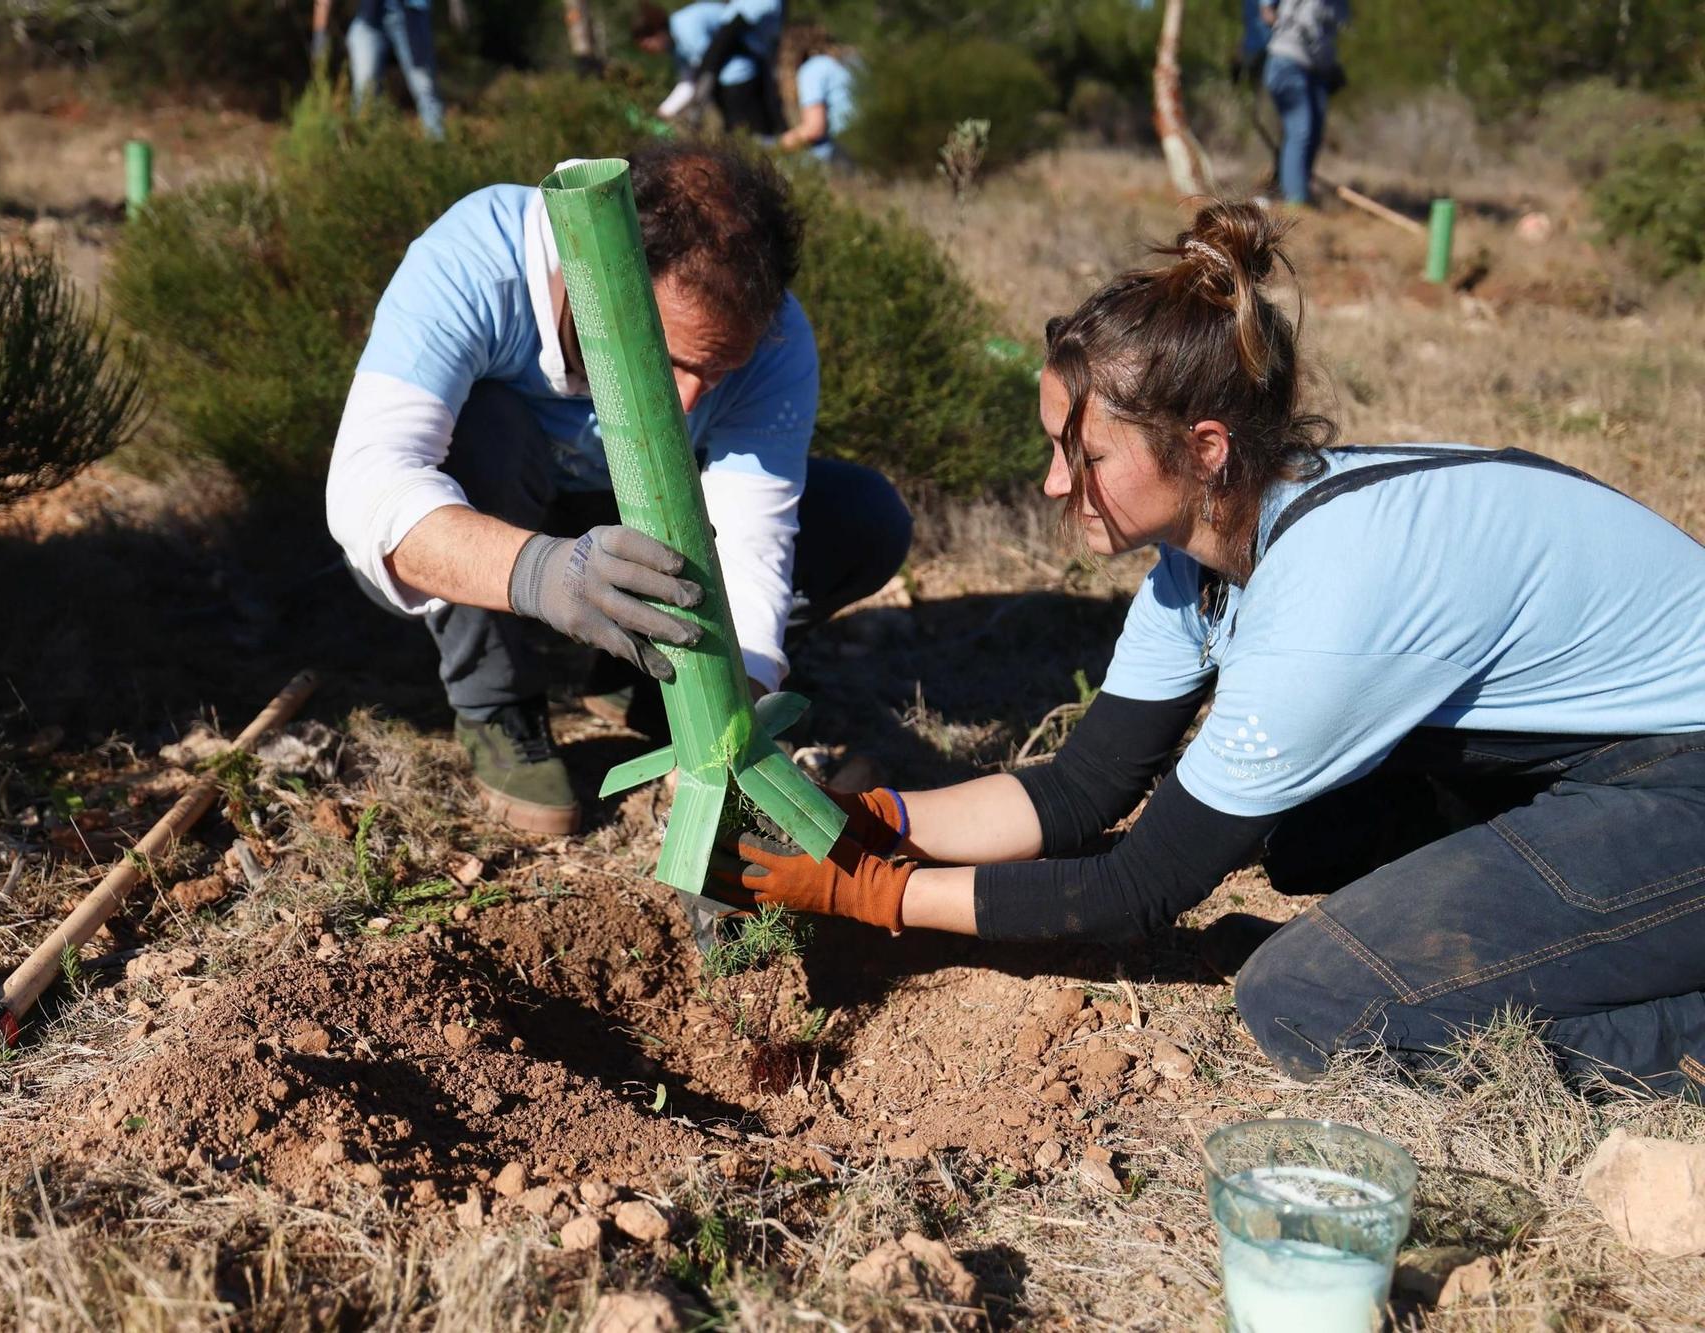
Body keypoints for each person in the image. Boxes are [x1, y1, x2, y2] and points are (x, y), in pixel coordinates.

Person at [717, 201, 1705, 1103]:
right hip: (1602, 755)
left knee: (1312, 1003)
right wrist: (871, 820)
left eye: (1084, 455)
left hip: (1679, 778)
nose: (1055, 484)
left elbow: (1136, 887)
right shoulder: (1205, 556)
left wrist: (881, 892)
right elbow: (1078, 790)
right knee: (1307, 837)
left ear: (1201, 448)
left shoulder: (1327, 594)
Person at [326, 144, 912, 835]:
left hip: (641, 522)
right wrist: (545, 573)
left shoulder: (777, 340)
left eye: (719, 371)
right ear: (596, 279)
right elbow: (368, 490)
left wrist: (735, 716)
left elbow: (755, 536)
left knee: (860, 519)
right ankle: (498, 702)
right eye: (672, 360)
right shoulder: (476, 262)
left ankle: (648, 678)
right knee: (487, 432)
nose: (690, 404)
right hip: (510, 506)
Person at [632, 2, 786, 136]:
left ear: (657, 33)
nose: (651, 52)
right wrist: (664, 112)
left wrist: (696, 111)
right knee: (735, 132)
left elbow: (710, 64)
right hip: (725, 79)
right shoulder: (676, 48)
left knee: (753, 130)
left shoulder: (687, 26)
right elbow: (689, 81)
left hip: (741, 71)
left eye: (648, 45)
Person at [311, 0, 446, 138]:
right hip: (370, 15)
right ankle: (364, 149)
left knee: (425, 87)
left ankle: (437, 146)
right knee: (364, 94)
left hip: (411, 13)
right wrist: (319, 32)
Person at [1259, 0, 1347, 206]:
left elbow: (1331, 32)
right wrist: (1285, 31)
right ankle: (1296, 203)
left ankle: (1297, 188)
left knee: (1313, 133)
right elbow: (1266, 11)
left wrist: (1330, 65)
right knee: (1301, 131)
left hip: (1316, 71)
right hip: (1287, 62)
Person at [775, 24, 859, 166]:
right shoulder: (849, 61)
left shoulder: (812, 69)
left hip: (843, 145)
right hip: (865, 136)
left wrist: (780, 145)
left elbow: (815, 128)